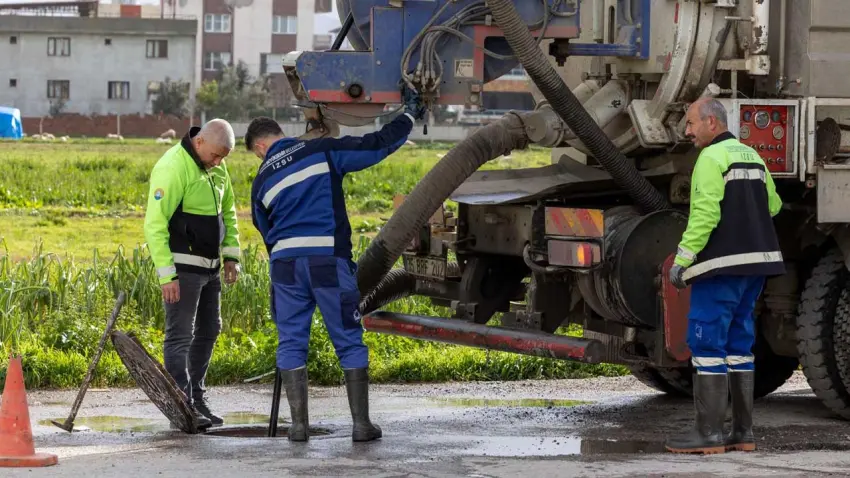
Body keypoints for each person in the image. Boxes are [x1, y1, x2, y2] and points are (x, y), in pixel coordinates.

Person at [245, 86, 425, 442]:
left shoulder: (261, 180)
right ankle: (361, 425)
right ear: (279, 134)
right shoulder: (320, 152)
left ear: (261, 147)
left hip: (285, 267)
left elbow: (265, 231)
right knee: (347, 338)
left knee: (291, 341)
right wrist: (407, 116)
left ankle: (298, 428)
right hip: (326, 261)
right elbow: (375, 146)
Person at [666, 98, 784, 454]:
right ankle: (742, 433)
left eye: (691, 123)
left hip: (721, 269)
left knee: (706, 344)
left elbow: (705, 215)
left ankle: (709, 434)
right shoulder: (752, 155)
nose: (687, 131)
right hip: (757, 267)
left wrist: (682, 260)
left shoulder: (711, 158)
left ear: (712, 123)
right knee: (738, 345)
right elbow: (774, 205)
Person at [143, 118, 242, 429]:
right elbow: (154, 225)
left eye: (223, 157)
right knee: (180, 336)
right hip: (182, 268)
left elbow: (228, 212)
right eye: (215, 156)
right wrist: (167, 276)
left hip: (211, 267)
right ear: (199, 142)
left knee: (210, 329)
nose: (219, 162)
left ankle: (196, 398)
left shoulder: (216, 165)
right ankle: (182, 407)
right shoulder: (172, 167)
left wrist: (231, 255)